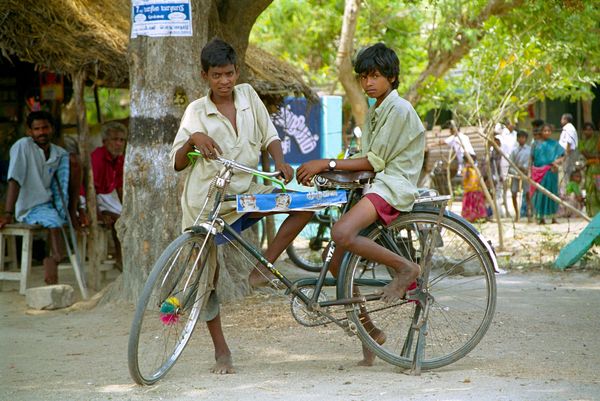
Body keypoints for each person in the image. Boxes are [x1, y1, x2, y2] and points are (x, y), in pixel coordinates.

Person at [169, 38, 312, 374]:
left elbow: (270, 135)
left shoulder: (248, 96)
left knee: (303, 206)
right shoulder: (195, 112)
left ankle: (264, 269)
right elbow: (176, 164)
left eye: (230, 73)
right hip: (208, 206)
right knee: (208, 280)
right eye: (217, 75)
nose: (225, 81)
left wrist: (280, 161)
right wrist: (193, 139)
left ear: (237, 72)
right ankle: (221, 351)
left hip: (248, 193)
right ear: (204, 75)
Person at [297, 43, 424, 366]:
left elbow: (376, 160)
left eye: (376, 76)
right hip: (376, 184)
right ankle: (370, 336)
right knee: (339, 265)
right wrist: (331, 168)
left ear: (392, 77)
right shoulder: (377, 109)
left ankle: (406, 268)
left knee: (341, 232)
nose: (369, 83)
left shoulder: (397, 109)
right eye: (364, 77)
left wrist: (327, 163)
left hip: (393, 186)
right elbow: (365, 159)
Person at [0, 111, 83, 284]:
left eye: (45, 127)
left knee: (74, 162)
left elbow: (67, 180)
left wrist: (75, 209)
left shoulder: (58, 153)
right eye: (36, 129)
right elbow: (14, 179)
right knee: (53, 221)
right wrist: (8, 213)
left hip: (50, 204)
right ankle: (55, 259)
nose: (41, 132)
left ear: (51, 128)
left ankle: (53, 260)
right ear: (29, 132)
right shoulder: (23, 146)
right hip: (29, 206)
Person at [91, 121, 127, 270]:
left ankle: (123, 258)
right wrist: (97, 213)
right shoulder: (98, 157)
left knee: (125, 218)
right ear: (105, 141)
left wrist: (125, 208)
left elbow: (119, 187)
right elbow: (91, 188)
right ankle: (120, 258)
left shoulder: (119, 159)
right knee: (119, 220)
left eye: (122, 140)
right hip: (92, 196)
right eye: (115, 139)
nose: (119, 144)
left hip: (107, 196)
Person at [530, 124, 565, 224]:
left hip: (551, 171)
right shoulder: (535, 144)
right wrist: (529, 172)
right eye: (545, 131)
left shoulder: (555, 144)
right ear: (541, 132)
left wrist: (557, 162)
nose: (547, 133)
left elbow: (563, 155)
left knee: (552, 193)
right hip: (538, 172)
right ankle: (541, 217)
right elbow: (531, 159)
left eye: (549, 131)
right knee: (540, 194)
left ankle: (553, 217)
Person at [509, 130, 531, 222]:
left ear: (526, 139)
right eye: (520, 137)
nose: (521, 139)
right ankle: (517, 214)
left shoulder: (529, 150)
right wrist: (516, 171)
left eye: (523, 137)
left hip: (526, 174)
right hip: (516, 175)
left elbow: (531, 162)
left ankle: (529, 213)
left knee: (527, 194)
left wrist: (526, 170)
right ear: (517, 138)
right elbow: (511, 164)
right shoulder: (514, 151)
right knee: (514, 193)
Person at [578, 122, 599, 216]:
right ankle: (591, 212)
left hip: (598, 169)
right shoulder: (581, 142)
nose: (588, 131)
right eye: (586, 129)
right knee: (589, 189)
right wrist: (596, 156)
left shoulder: (597, 140)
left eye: (590, 129)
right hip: (589, 169)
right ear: (583, 131)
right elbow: (585, 154)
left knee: (598, 190)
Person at [461, 156, 487, 222]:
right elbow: (465, 177)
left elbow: (479, 179)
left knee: (477, 205)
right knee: (470, 206)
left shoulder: (475, 170)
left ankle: (478, 218)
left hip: (477, 190)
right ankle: (469, 218)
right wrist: (467, 168)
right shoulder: (465, 170)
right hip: (469, 191)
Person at [559, 113, 579, 180]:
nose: (560, 121)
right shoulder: (566, 128)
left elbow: (569, 142)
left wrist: (565, 155)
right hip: (567, 153)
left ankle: (568, 189)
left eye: (562, 119)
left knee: (567, 173)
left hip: (569, 153)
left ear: (565, 119)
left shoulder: (569, 128)